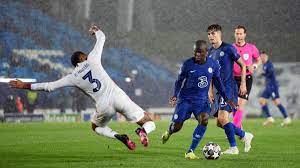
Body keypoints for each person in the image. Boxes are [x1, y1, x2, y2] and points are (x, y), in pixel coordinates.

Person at [9, 25, 156, 150]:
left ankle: (119, 136)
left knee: (96, 127)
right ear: (81, 58)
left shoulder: (73, 76)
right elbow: (102, 38)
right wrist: (95, 30)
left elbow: (49, 87)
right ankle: (142, 131)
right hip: (118, 96)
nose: (86, 56)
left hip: (103, 105)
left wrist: (24, 85)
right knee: (149, 121)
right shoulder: (93, 59)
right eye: (84, 55)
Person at [161, 40, 237, 159]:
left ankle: (190, 151)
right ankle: (169, 132)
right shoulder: (187, 64)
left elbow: (218, 82)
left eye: (200, 52)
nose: (197, 55)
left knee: (204, 120)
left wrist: (227, 98)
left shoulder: (213, 65)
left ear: (206, 52)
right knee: (177, 127)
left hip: (201, 101)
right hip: (185, 100)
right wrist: (175, 95)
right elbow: (179, 81)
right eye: (195, 52)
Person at [207, 24, 253, 154]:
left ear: (220, 34)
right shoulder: (210, 52)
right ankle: (244, 135)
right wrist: (209, 90)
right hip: (217, 90)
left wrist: (243, 83)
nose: (211, 36)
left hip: (228, 89)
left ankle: (233, 147)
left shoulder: (228, 48)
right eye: (209, 34)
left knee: (222, 119)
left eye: (213, 33)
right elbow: (210, 73)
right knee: (219, 122)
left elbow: (243, 65)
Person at [232, 25, 261, 128]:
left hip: (247, 78)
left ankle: (234, 128)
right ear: (234, 34)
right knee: (234, 105)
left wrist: (254, 66)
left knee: (241, 104)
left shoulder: (251, 48)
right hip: (233, 78)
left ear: (244, 34)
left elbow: (258, 59)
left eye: (240, 34)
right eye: (237, 34)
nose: (239, 36)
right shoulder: (231, 48)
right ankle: (238, 126)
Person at [259, 51, 291, 126]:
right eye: (261, 56)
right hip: (268, 87)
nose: (262, 58)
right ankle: (269, 118)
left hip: (272, 86)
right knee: (261, 101)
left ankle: (286, 118)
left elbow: (271, 72)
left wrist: (263, 73)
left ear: (266, 57)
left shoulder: (269, 64)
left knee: (277, 102)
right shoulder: (264, 65)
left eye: (263, 56)